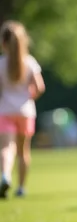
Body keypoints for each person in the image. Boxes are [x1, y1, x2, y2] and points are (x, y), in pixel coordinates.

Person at [0, 20, 45, 198]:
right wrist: (28, 97)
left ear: (3, 43)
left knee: (6, 148)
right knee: (23, 151)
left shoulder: (1, 63)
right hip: (25, 111)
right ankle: (21, 188)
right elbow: (40, 87)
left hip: (4, 111)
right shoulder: (30, 62)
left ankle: (5, 175)